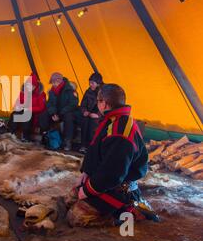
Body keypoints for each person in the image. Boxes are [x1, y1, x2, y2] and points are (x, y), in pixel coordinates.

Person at [66, 84, 159, 227]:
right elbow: (95, 148)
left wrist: (88, 190)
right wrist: (86, 172)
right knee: (70, 200)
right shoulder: (112, 119)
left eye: (98, 100)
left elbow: (113, 172)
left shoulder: (120, 131)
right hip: (106, 179)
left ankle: (127, 211)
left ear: (105, 103)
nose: (97, 104)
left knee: (77, 217)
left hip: (119, 187)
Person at [39, 72, 79, 151]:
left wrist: (60, 114)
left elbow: (73, 104)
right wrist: (53, 113)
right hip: (56, 113)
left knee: (69, 117)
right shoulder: (52, 91)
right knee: (43, 115)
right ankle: (46, 135)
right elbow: (50, 104)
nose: (53, 84)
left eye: (54, 82)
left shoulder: (70, 90)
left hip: (66, 112)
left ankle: (67, 141)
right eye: (52, 82)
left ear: (59, 81)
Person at [8, 73, 46, 142]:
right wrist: (17, 107)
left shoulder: (41, 94)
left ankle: (25, 135)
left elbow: (41, 107)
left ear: (35, 86)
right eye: (28, 85)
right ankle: (10, 133)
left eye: (31, 85)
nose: (29, 87)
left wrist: (28, 108)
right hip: (24, 110)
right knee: (14, 114)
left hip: (35, 113)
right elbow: (17, 102)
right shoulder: (23, 92)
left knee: (27, 115)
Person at [79, 73, 104, 154]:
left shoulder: (104, 93)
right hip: (89, 113)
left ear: (98, 83)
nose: (90, 85)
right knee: (84, 120)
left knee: (93, 122)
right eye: (90, 82)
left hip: (100, 115)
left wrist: (98, 115)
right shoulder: (88, 91)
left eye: (92, 83)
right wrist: (84, 111)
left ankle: (91, 146)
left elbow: (106, 107)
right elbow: (82, 105)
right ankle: (83, 145)